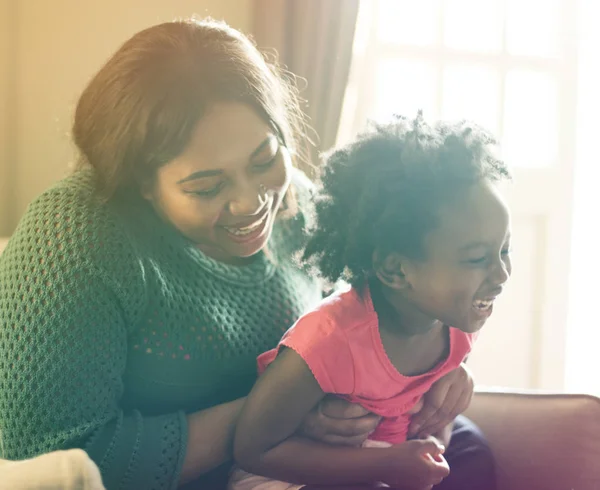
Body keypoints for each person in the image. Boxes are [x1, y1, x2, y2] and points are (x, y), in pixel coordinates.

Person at [0, 18, 491, 490]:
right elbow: (50, 465)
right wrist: (285, 406)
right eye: (207, 186)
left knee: (468, 455)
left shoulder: (299, 209)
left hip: (307, 458)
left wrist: (434, 365)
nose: (251, 202)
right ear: (140, 184)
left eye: (265, 160)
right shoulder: (75, 237)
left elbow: (373, 314)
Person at [231, 115, 511, 490]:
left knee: (473, 453)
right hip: (293, 475)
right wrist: (381, 464)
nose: (501, 275)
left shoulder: (457, 314)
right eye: (477, 259)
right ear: (395, 270)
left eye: (505, 249)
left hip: (387, 456)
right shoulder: (329, 340)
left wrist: (451, 391)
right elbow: (254, 450)